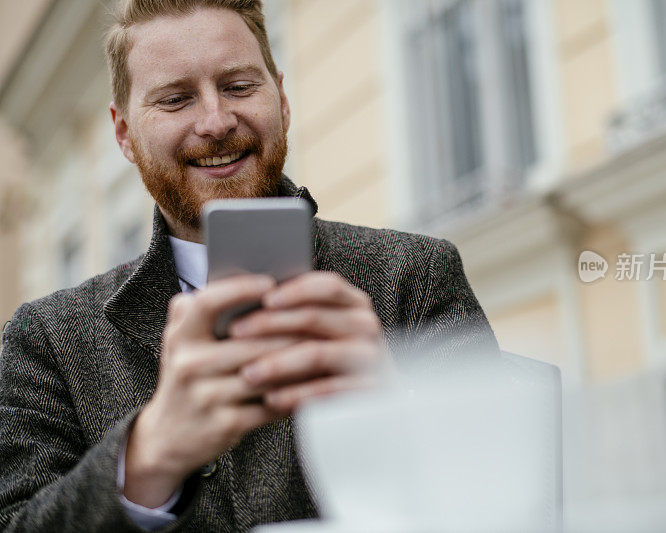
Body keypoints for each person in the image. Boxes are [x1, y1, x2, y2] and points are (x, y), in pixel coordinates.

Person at [0, 1, 498, 531]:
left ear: (281, 99)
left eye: (238, 87)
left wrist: (393, 410)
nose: (215, 122)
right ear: (123, 133)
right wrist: (146, 458)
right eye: (175, 99)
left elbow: (512, 499)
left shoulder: (416, 276)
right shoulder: (48, 340)